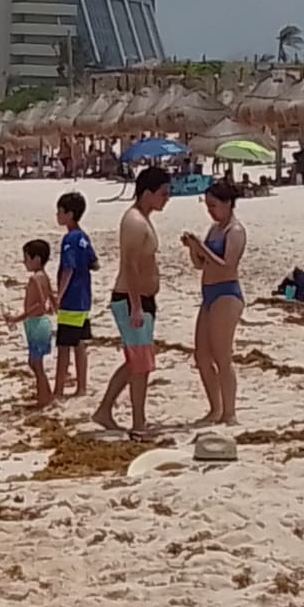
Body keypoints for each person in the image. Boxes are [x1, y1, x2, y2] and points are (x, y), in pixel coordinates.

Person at [93, 166, 171, 436]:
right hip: (131, 299)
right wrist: (136, 305)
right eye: (163, 193)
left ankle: (105, 410)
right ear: (148, 192)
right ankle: (138, 423)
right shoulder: (135, 221)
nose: (166, 198)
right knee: (141, 363)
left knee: (137, 361)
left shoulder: (143, 219)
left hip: (140, 299)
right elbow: (131, 265)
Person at [183, 180, 248, 426]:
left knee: (222, 355)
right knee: (201, 355)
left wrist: (202, 247)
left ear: (227, 204)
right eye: (208, 206)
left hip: (227, 294)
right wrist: (193, 248)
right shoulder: (214, 229)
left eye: (214, 205)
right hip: (209, 292)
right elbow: (201, 264)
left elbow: (227, 265)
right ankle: (215, 408)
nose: (210, 210)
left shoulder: (235, 231)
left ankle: (229, 412)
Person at [54, 191, 98, 399]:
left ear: (69, 214)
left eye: (60, 212)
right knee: (80, 343)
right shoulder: (83, 236)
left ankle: (59, 390)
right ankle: (82, 387)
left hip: (71, 299)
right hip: (84, 297)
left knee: (64, 346)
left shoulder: (70, 238)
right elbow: (95, 263)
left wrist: (58, 295)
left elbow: (68, 269)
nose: (57, 215)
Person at [5, 240, 57, 409]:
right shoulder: (44, 276)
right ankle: (45, 395)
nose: (24, 261)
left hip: (36, 324)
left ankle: (44, 399)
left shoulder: (35, 279)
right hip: (39, 324)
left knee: (37, 364)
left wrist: (17, 318)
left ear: (37, 259)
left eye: (26, 258)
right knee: (35, 362)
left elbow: (40, 304)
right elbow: (51, 299)